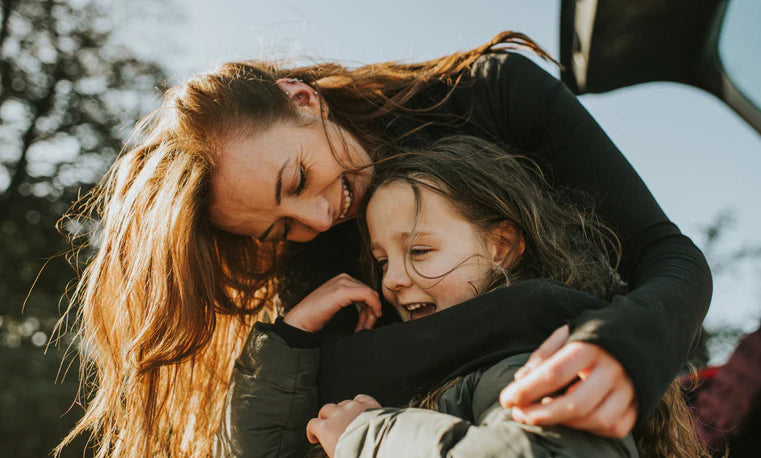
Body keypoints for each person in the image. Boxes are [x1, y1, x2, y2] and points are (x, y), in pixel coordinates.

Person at [56, 32, 711, 457]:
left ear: (303, 99)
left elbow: (667, 260)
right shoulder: (315, 250)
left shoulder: (492, 94)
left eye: (298, 178)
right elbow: (330, 399)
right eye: (279, 229)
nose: (319, 217)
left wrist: (620, 345)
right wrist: (289, 344)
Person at [223, 136, 706, 457]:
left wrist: (365, 435)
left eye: (420, 250)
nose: (392, 280)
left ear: (502, 246)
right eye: (383, 260)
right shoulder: (437, 376)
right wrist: (290, 339)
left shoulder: (532, 356)